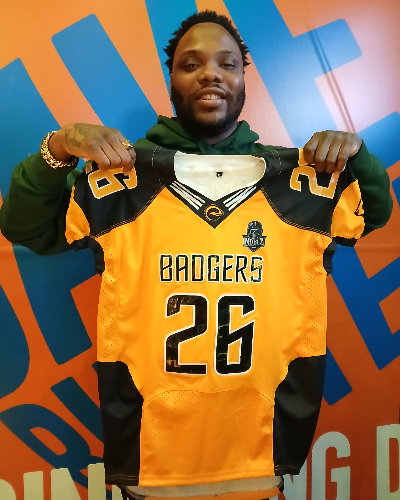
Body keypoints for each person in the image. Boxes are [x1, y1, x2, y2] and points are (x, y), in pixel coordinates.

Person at [0, 10, 392, 500]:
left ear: (243, 78)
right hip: (153, 458)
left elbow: (374, 211)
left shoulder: (301, 185)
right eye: (192, 64)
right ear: (172, 79)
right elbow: (25, 227)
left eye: (227, 63)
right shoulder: (121, 181)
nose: (211, 74)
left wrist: (358, 155)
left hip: (259, 454)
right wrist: (56, 149)